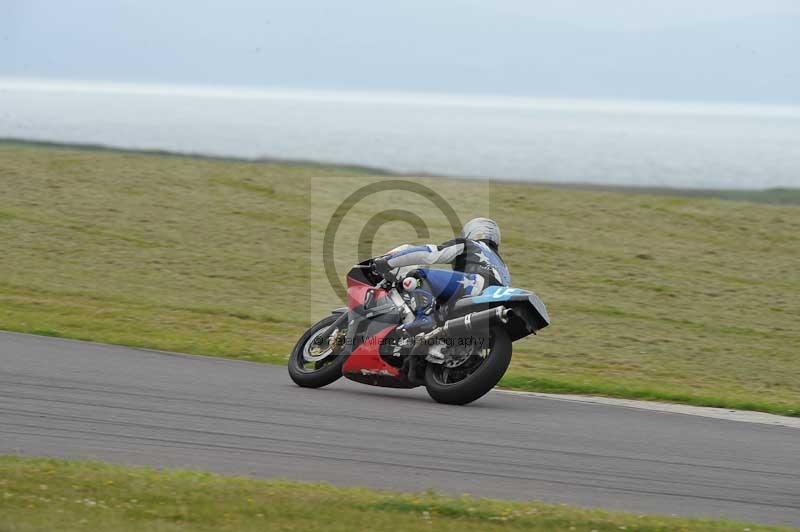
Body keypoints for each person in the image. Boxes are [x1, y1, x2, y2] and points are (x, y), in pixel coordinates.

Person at [371, 217, 510, 341]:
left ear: (470, 232)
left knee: (418, 275)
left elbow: (431, 253)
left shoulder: (469, 244)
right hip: (492, 301)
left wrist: (388, 261)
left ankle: (423, 317)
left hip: (473, 285)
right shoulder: (503, 265)